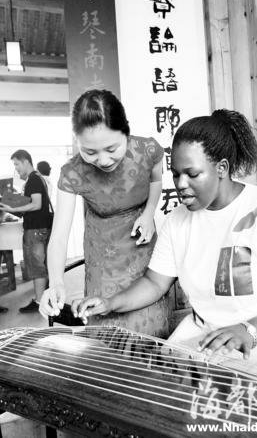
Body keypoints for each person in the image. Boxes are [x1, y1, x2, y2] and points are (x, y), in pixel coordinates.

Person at [71, 109, 257, 382]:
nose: (181, 185)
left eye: (192, 174)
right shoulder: (178, 221)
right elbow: (155, 284)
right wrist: (110, 302)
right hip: (203, 339)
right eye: (176, 174)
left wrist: (248, 331)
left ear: (222, 168)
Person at [39, 89, 170, 337]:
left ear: (126, 133)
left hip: (141, 244)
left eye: (112, 148)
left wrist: (149, 212)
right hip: (102, 253)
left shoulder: (147, 150)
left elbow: (155, 181)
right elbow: (58, 237)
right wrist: (56, 282)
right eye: (90, 152)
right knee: (104, 321)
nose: (103, 160)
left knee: (150, 320)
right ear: (77, 141)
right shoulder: (72, 172)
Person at [0, 150, 53, 312]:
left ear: (25, 161)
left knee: (37, 268)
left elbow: (36, 204)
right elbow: (32, 206)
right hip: (40, 227)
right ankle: (41, 299)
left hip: (35, 229)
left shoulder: (33, 180)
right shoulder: (36, 178)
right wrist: (12, 207)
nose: (16, 169)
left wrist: (11, 206)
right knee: (40, 266)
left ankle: (38, 302)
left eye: (17, 164)